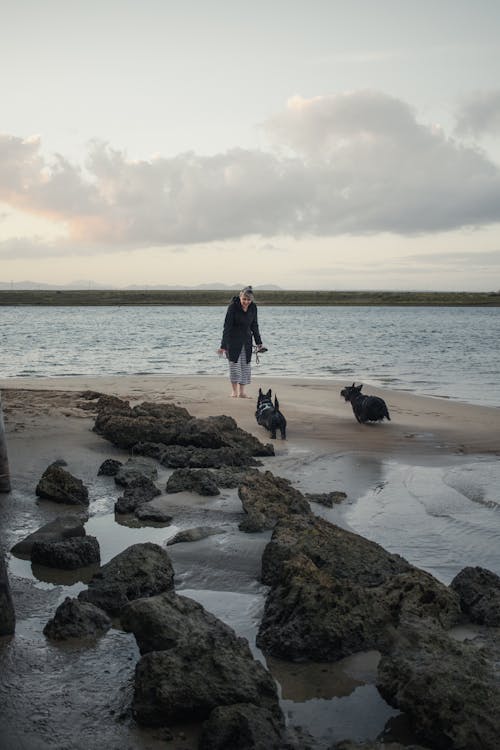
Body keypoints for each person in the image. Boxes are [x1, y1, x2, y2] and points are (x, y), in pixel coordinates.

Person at [218, 286, 265, 398]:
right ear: (240, 297)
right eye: (244, 299)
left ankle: (242, 392)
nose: (246, 302)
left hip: (247, 341)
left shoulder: (253, 308)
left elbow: (254, 325)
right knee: (234, 366)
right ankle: (234, 392)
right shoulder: (232, 307)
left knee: (245, 366)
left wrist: (259, 342)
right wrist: (223, 346)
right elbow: (227, 327)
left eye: (248, 300)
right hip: (233, 341)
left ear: (251, 300)